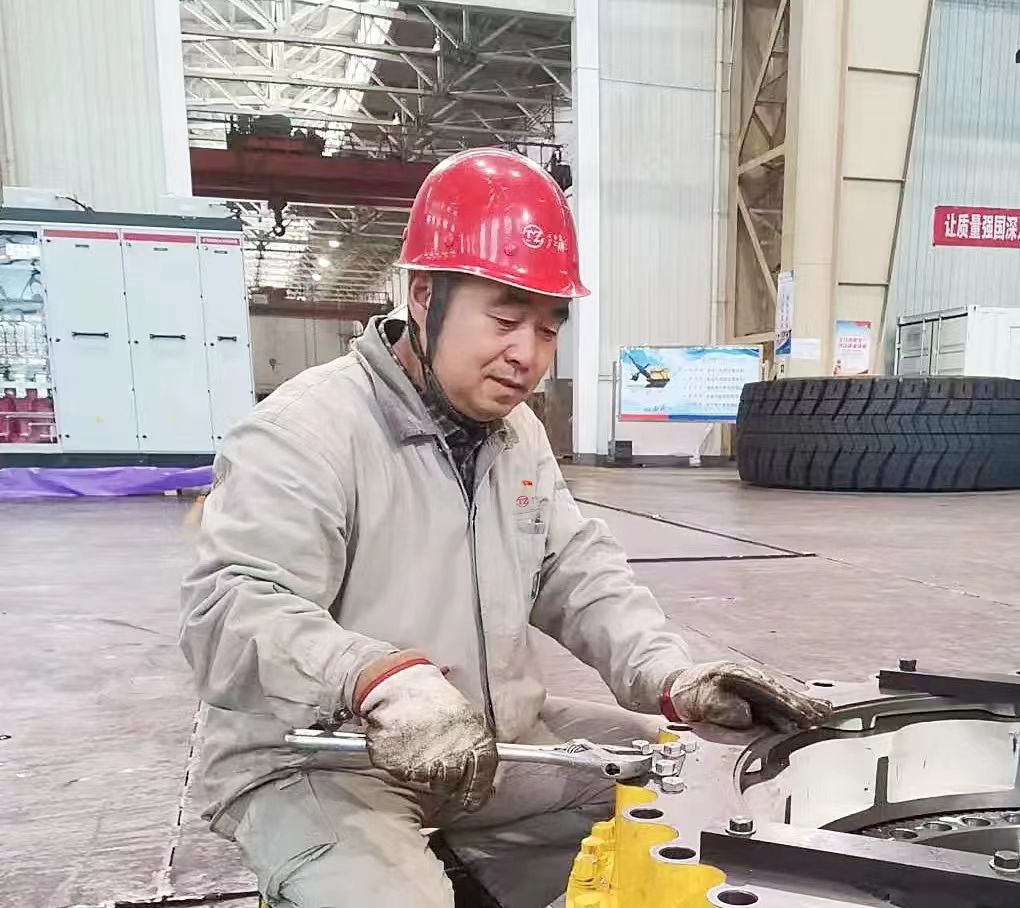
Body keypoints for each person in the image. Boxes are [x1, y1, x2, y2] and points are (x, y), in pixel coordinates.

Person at [179, 148, 830, 908]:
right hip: (325, 759)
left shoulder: (516, 435)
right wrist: (376, 679)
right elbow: (230, 610)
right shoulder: (306, 430)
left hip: (489, 739)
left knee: (702, 783)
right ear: (424, 296)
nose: (528, 354)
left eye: (549, 328)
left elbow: (575, 572)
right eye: (505, 318)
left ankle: (481, 868)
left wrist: (671, 677)